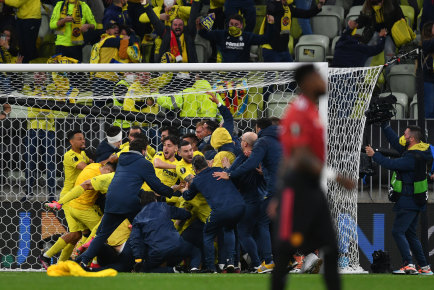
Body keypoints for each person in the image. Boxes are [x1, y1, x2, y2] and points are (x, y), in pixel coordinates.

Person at [268, 64, 356, 290]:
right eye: (319, 76)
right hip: (297, 188)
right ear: (307, 81)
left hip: (311, 189)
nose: (323, 81)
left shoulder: (310, 111)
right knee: (284, 251)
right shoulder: (298, 111)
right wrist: (335, 176)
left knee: (331, 246)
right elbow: (298, 155)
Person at [76, 138, 175, 267]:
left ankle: (82, 261)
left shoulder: (122, 159)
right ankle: (147, 261)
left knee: (102, 235)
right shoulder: (144, 163)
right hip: (129, 203)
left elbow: (127, 182)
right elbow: (156, 186)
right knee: (147, 228)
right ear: (143, 151)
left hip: (112, 200)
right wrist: (174, 192)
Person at [365, 124, 433, 275]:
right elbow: (396, 142)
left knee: (397, 231)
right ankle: (425, 266)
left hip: (409, 200)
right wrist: (385, 125)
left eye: (405, 134)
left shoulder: (413, 156)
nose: (403, 136)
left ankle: (409, 264)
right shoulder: (418, 151)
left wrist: (374, 155)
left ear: (412, 138)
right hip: (416, 198)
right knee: (410, 233)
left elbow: (392, 164)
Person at [39, 162, 116, 268]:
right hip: (81, 208)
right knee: (101, 234)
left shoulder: (93, 165)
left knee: (78, 235)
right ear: (108, 170)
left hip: (71, 203)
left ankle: (55, 261)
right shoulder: (100, 177)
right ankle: (91, 263)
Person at [182, 155, 245, 273]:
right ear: (207, 163)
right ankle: (231, 262)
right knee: (229, 229)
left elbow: (188, 196)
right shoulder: (219, 170)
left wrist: (183, 190)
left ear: (194, 168)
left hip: (221, 209)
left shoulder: (197, 179)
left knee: (208, 234)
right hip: (240, 205)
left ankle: (211, 267)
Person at [37, 130, 92, 265]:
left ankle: (62, 264)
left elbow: (92, 164)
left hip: (79, 197)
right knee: (77, 234)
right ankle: (46, 256)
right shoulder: (70, 155)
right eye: (79, 139)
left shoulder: (83, 154)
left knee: (82, 233)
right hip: (69, 197)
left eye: (83, 138)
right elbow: (85, 168)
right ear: (71, 141)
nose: (83, 141)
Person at [222, 131, 264, 272]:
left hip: (248, 201)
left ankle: (257, 264)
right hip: (261, 199)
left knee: (244, 233)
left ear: (245, 143)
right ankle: (263, 261)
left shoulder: (243, 158)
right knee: (257, 232)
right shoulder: (261, 157)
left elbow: (231, 176)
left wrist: (227, 168)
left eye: (241, 140)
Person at [130, 191, 201, 273]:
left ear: (141, 202)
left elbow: (135, 240)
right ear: (155, 199)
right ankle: (194, 268)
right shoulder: (163, 206)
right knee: (195, 251)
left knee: (144, 270)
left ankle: (173, 270)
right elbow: (183, 214)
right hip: (176, 244)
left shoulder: (138, 218)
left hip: (157, 251)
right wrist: (188, 213)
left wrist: (138, 258)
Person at [198, 13, 275, 62]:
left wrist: (271, 24)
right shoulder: (221, 34)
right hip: (223, 74)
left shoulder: (247, 37)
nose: (233, 27)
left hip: (241, 75)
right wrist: (209, 20)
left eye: (236, 25)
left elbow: (266, 39)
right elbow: (203, 34)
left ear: (241, 26)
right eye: (231, 24)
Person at [354, 0, 405, 64]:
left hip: (391, 32)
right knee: (368, 49)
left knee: (389, 51)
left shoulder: (392, 3)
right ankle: (364, 71)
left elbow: (400, 18)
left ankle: (389, 72)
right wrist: (356, 24)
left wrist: (389, 30)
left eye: (380, 2)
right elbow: (362, 19)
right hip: (374, 31)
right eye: (376, 3)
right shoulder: (368, 5)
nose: (379, 4)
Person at [421, 21, 434, 118]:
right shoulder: (425, 44)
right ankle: (428, 133)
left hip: (429, 81)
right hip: (429, 81)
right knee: (429, 111)